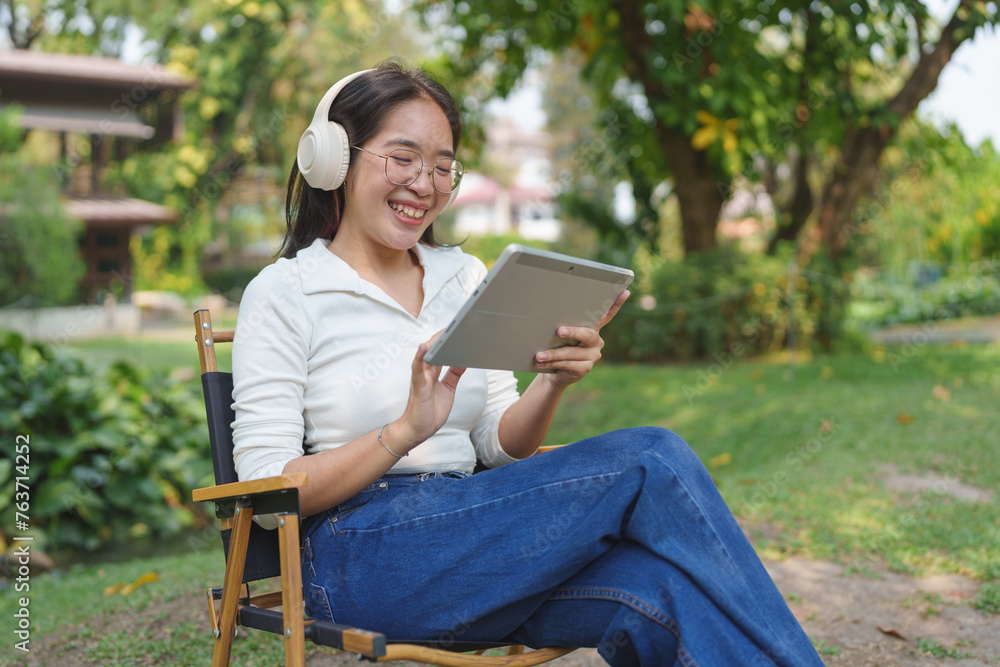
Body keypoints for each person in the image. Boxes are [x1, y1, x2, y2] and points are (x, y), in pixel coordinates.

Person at [231, 60, 824, 667]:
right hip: (359, 558)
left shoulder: (462, 277)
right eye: (402, 158)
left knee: (657, 587)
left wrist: (551, 382)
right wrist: (401, 434)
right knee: (652, 456)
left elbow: (496, 442)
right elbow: (267, 491)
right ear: (335, 160)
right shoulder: (285, 292)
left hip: (476, 528)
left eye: (442, 166)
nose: (425, 183)